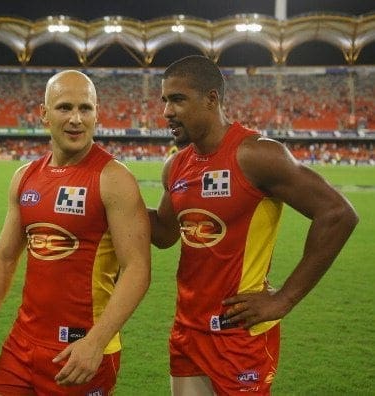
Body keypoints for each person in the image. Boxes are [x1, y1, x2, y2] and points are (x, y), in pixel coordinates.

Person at [148, 55, 359, 395]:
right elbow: (163, 233)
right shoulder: (175, 166)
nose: (167, 111)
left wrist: (284, 299)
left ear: (211, 99)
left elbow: (337, 214)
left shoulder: (257, 155)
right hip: (188, 331)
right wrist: (110, 203)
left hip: (239, 334)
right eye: (164, 101)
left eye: (177, 99)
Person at [0, 70, 151, 395]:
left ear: (96, 113)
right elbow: (5, 258)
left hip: (81, 348)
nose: (76, 119)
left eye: (85, 108)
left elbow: (138, 269)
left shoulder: (114, 179)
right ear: (43, 114)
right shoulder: (26, 177)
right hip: (23, 341)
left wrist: (96, 341)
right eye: (65, 107)